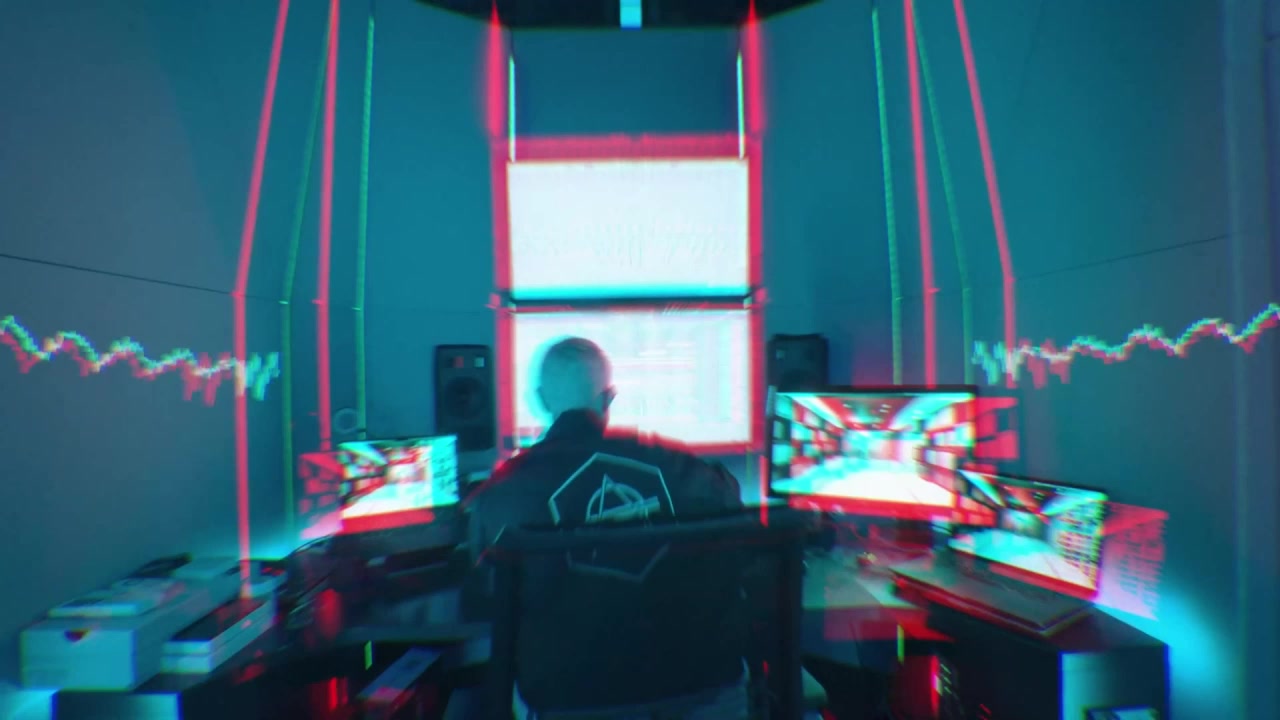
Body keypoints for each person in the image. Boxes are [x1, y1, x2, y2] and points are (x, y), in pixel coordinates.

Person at [463, 337, 749, 719]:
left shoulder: (501, 493)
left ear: (542, 400)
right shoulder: (680, 465)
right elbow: (734, 512)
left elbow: (486, 594)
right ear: (609, 398)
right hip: (700, 689)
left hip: (570, 698)